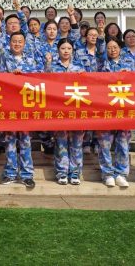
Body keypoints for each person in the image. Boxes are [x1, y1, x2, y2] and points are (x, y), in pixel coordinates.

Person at [0, 22, 43, 189]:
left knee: (25, 141)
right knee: (10, 141)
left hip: (26, 105)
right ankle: (10, 173)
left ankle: (27, 175)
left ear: (24, 43)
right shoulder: (4, 57)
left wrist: (24, 76)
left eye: (20, 41)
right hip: (9, 105)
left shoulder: (31, 59)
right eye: (14, 41)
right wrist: (9, 76)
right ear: (10, 43)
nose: (17, 44)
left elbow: (39, 78)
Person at [45, 39, 86, 185]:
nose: (66, 51)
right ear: (58, 50)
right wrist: (48, 64)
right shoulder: (52, 67)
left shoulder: (79, 67)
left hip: (77, 111)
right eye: (63, 48)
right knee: (61, 142)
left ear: (72, 50)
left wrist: (84, 76)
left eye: (69, 48)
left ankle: (75, 173)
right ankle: (62, 172)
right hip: (59, 111)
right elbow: (45, 83)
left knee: (77, 143)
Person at [98, 37, 131, 188]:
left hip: (124, 110)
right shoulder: (101, 65)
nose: (112, 50)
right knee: (105, 144)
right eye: (109, 48)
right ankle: (107, 174)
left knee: (123, 143)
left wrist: (129, 75)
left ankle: (121, 174)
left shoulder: (129, 64)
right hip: (105, 110)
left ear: (120, 49)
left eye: (115, 47)